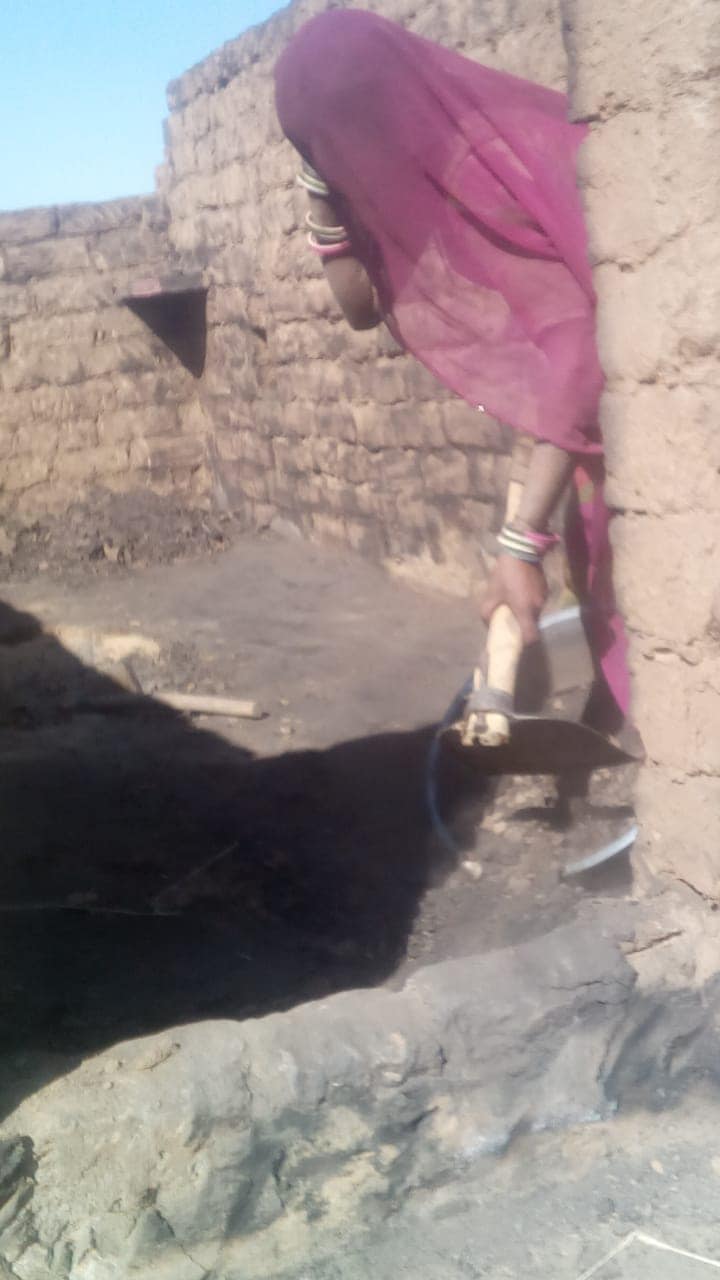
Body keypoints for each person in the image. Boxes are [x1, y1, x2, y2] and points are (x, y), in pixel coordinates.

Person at [274, 7, 630, 724]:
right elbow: (360, 306)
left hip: (656, 404)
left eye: (339, 143)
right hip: (602, 417)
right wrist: (322, 189)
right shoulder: (426, 169)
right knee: (600, 568)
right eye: (323, 151)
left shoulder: (482, 166)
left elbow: (578, 347)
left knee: (630, 579)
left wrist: (521, 544)